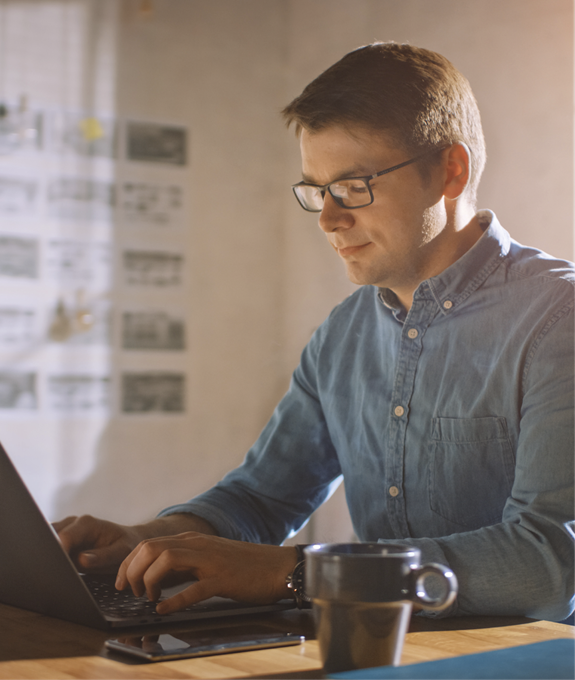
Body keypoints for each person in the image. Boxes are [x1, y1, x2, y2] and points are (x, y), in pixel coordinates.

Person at [55, 42, 575, 621]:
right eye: (316, 190)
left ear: (451, 171)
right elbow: (263, 496)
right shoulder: (344, 334)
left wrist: (300, 573)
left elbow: (548, 564)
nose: (329, 218)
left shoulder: (560, 320)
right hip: (384, 654)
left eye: (355, 186)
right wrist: (146, 541)